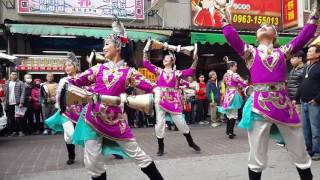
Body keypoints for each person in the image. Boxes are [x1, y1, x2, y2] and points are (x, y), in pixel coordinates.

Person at [217, 0, 319, 179]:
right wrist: (223, 16)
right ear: (256, 37)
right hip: (259, 106)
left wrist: (316, 12)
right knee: (257, 155)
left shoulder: (283, 51)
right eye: (261, 26)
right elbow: (233, 38)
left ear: (275, 36)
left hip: (284, 105)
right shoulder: (250, 52)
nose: (264, 26)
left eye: (269, 26)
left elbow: (303, 37)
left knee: (299, 149)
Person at [69, 19, 164, 180]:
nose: (103, 48)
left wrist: (156, 95)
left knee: (138, 154)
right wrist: (69, 86)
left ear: (118, 47)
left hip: (116, 122)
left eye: (107, 44)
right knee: (92, 162)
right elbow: (75, 80)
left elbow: (153, 87)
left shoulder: (129, 72)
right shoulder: (97, 68)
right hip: (92, 119)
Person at [143, 39, 201, 157]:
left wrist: (195, 58)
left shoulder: (177, 73)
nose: (165, 59)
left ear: (173, 61)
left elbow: (191, 70)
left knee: (181, 124)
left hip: (174, 101)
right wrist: (146, 49)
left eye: (167, 58)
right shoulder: (158, 71)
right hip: (160, 99)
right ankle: (161, 147)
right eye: (164, 58)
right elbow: (146, 64)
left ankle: (190, 142)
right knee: (159, 124)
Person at [297, 45, 320, 161]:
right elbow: (302, 83)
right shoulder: (306, 66)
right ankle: (309, 149)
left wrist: (317, 99)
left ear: (318, 54)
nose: (308, 53)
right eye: (308, 51)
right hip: (303, 101)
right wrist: (297, 98)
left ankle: (317, 151)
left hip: (314, 103)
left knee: (315, 128)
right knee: (306, 128)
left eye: (311, 51)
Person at [218, 57, 247, 139]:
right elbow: (243, 82)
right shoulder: (235, 75)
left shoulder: (225, 75)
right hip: (234, 95)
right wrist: (245, 82)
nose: (236, 68)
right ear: (231, 66)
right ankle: (231, 132)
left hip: (227, 94)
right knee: (234, 114)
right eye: (235, 66)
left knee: (229, 113)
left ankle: (228, 131)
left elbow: (226, 82)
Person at [4, 71, 25, 136]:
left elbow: (23, 93)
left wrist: (21, 102)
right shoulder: (7, 83)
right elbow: (5, 93)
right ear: (10, 75)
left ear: (17, 76)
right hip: (9, 103)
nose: (14, 75)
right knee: (11, 118)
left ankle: (21, 131)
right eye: (12, 74)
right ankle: (14, 131)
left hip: (17, 103)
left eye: (15, 74)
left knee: (19, 118)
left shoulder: (20, 83)